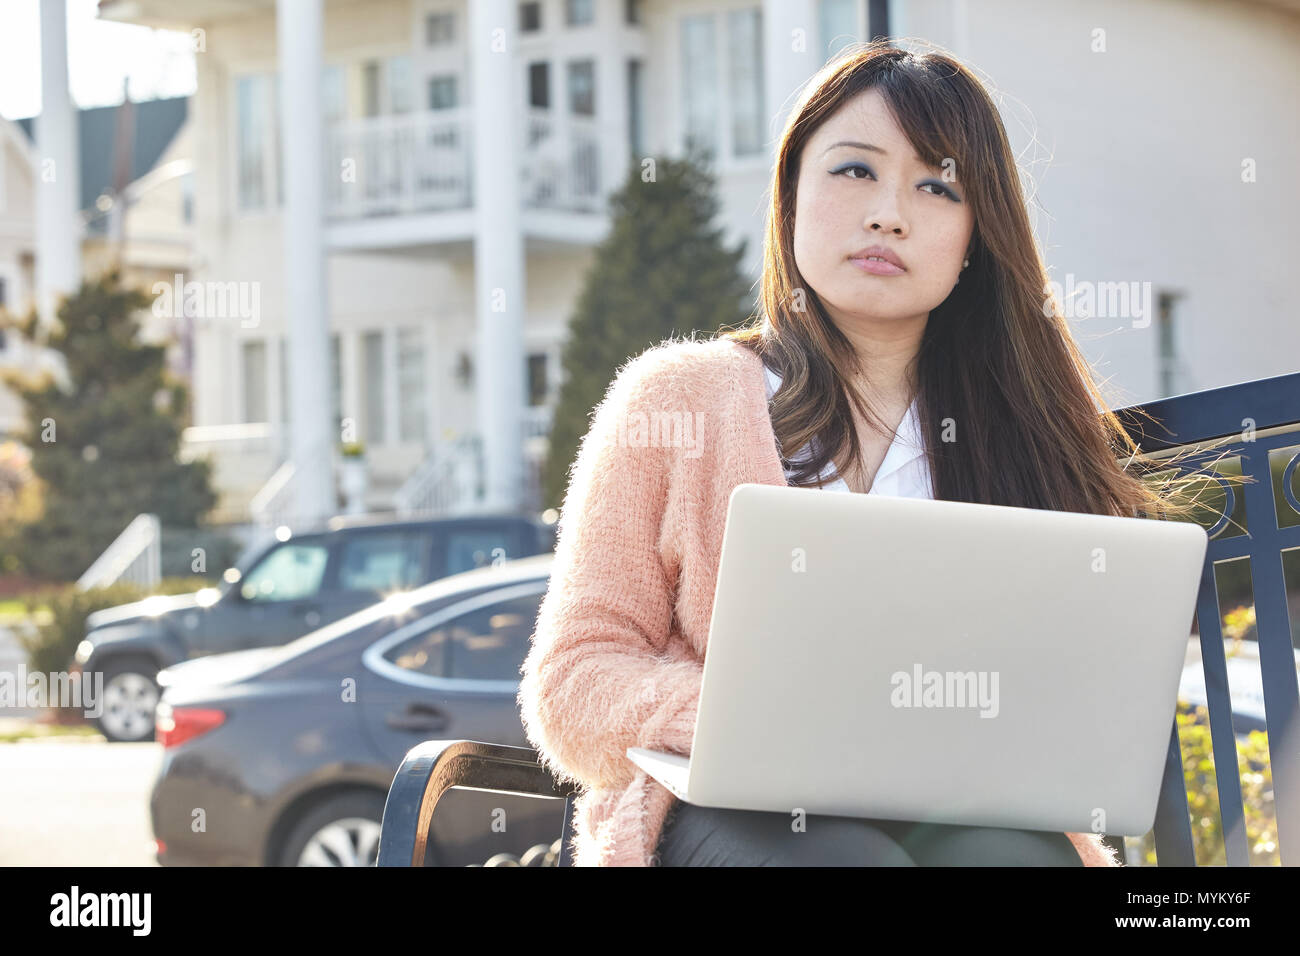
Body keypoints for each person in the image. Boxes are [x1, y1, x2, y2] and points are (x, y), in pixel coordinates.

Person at [517, 40, 1210, 867]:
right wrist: (738, 712)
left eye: (937, 186)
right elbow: (571, 681)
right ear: (791, 196)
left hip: (961, 807)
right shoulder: (677, 399)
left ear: (973, 244)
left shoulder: (1017, 431)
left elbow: (1080, 693)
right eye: (855, 171)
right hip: (732, 808)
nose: (889, 212)